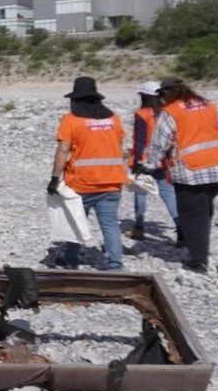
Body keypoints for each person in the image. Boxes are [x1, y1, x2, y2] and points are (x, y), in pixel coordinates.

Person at [147, 77, 218, 273]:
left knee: (192, 216)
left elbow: (160, 143)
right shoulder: (209, 105)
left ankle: (198, 260)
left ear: (166, 93)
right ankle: (201, 249)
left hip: (191, 171)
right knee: (204, 211)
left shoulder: (171, 112)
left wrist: (150, 165)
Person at [48, 77, 127, 271]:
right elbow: (120, 147)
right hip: (112, 181)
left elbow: (63, 150)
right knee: (110, 225)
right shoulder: (113, 119)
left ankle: (71, 261)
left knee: (74, 221)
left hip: (82, 183)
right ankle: (116, 265)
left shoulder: (71, 120)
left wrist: (54, 179)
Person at [129, 81, 180, 241]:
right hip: (164, 160)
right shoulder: (168, 112)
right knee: (168, 194)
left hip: (145, 160)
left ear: (144, 96)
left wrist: (136, 161)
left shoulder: (142, 114)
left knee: (140, 192)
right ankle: (181, 228)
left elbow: (140, 140)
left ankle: (139, 228)